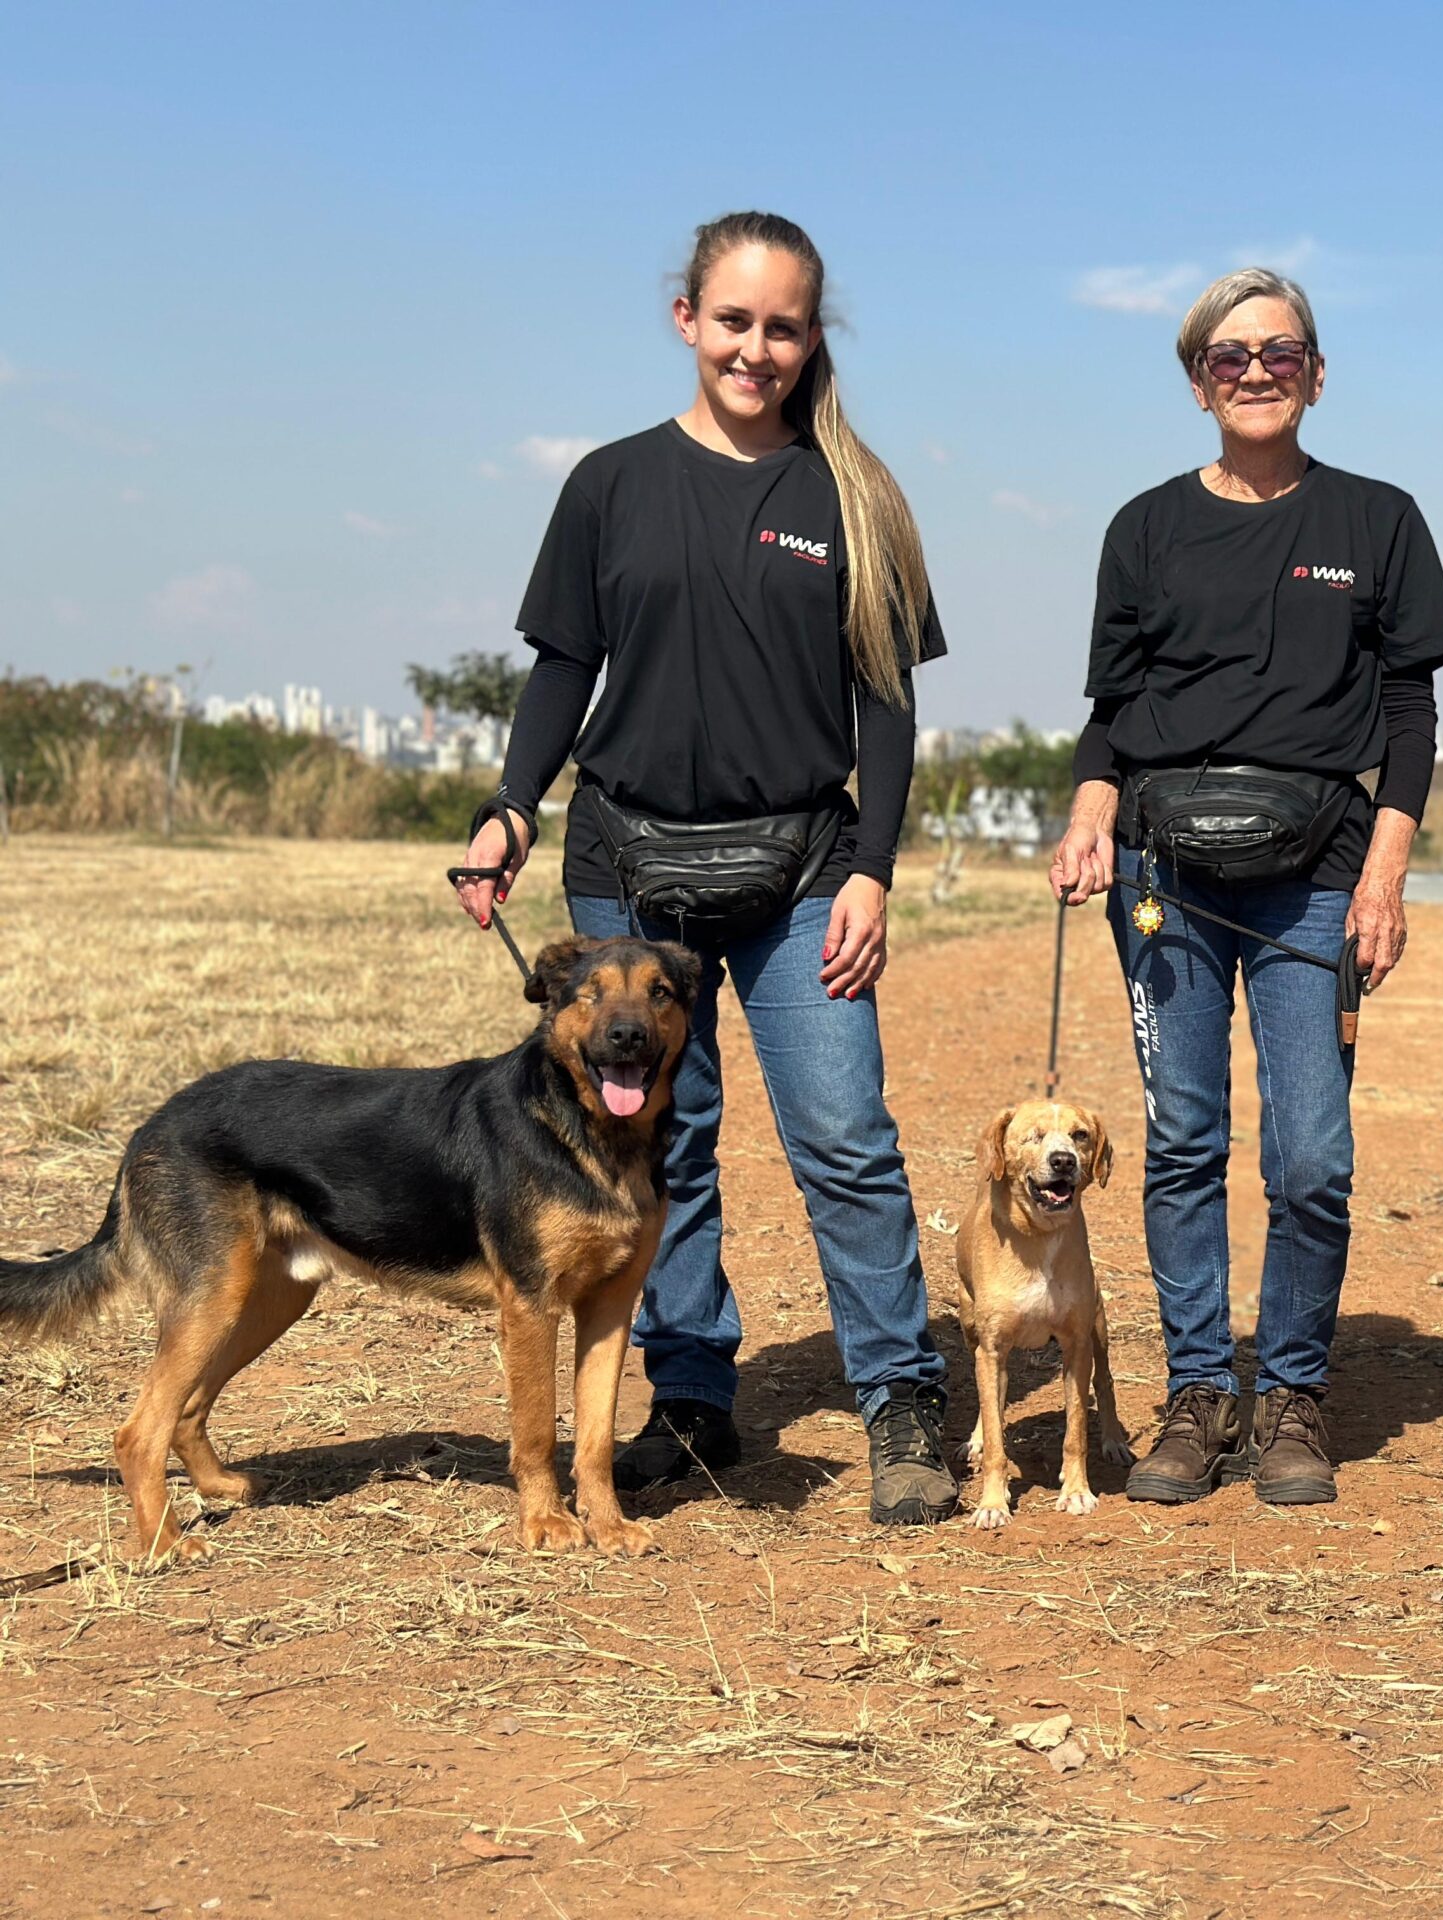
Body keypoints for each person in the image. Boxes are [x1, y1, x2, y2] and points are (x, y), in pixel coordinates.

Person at [451, 210, 960, 1526]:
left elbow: (888, 707)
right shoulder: (611, 483)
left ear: (811, 338)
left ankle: (902, 1399)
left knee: (843, 1135)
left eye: (783, 326)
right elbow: (565, 666)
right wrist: (511, 809)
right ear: (688, 321)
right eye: (733, 321)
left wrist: (875, 870)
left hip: (802, 876)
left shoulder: (857, 495)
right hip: (627, 870)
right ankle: (685, 1400)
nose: (757, 347)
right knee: (651, 1135)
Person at [1048, 268, 1443, 1507]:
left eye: (1280, 351)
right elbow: (1111, 715)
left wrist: (1383, 879)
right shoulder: (1144, 528)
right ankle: (1197, 1396)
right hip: (1163, 875)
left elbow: (1410, 717)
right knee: (1182, 1138)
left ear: (1318, 373)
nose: (1256, 371)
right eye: (1229, 356)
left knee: (1312, 1157)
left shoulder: (1378, 521)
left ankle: (1290, 1395)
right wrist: (1088, 816)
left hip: (1317, 876)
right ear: (1197, 382)